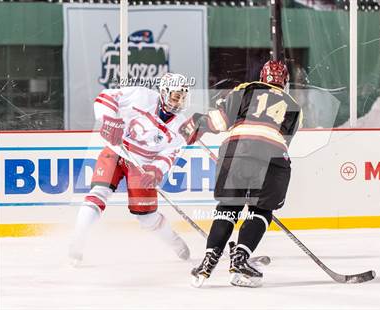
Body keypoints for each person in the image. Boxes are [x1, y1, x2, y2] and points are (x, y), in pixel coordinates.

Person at [179, 60, 303, 287]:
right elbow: (285, 139)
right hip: (272, 158)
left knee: (228, 207)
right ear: (284, 82)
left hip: (234, 153)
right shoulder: (294, 105)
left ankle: (209, 258)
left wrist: (199, 123)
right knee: (261, 210)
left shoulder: (246, 89)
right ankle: (241, 257)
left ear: (263, 76)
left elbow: (220, 121)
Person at [69, 73, 191, 266]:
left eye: (183, 97)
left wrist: (156, 170)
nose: (179, 102)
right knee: (98, 193)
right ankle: (77, 242)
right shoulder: (141, 96)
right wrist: (108, 120)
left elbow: (170, 153)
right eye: (176, 96)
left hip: (142, 166)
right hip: (117, 150)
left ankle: (175, 243)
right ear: (164, 92)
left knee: (147, 217)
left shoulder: (180, 125)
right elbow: (106, 97)